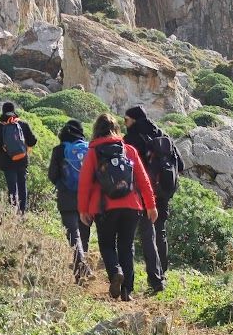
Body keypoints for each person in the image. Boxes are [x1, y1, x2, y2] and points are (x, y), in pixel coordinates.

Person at [78, 114, 157, 301]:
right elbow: (143, 180)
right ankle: (126, 291)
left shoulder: (93, 153)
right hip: (132, 206)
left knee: (106, 245)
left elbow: (84, 184)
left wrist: (83, 209)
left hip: (104, 207)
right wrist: (151, 205)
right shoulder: (128, 150)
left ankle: (115, 273)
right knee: (126, 246)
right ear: (117, 130)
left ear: (96, 130)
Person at [124, 106, 183, 294]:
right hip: (164, 192)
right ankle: (162, 272)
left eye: (126, 120)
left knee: (147, 234)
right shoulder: (162, 135)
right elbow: (180, 165)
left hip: (143, 193)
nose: (125, 124)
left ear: (133, 120)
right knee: (160, 231)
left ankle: (155, 279)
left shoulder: (132, 138)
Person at [47, 119, 93, 282]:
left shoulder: (59, 150)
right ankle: (83, 265)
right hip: (87, 197)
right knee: (84, 232)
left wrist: (62, 185)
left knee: (73, 233)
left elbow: (52, 175)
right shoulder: (89, 149)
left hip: (67, 197)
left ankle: (80, 267)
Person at [0, 101, 36, 214]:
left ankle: (13, 212)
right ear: (14, 110)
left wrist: (2, 151)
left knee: (12, 188)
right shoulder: (23, 125)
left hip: (7, 162)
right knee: (22, 186)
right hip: (22, 160)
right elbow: (33, 141)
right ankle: (22, 212)